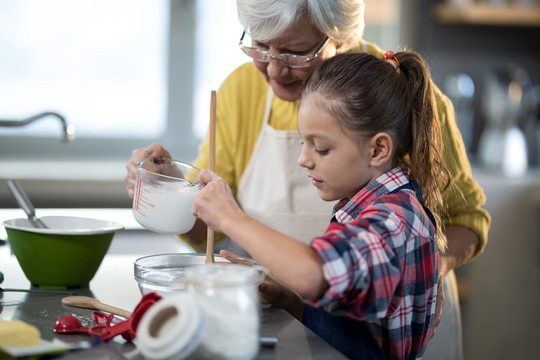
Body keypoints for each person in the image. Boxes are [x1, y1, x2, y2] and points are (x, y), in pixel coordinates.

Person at [124, 1, 490, 359]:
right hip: (309, 323)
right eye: (261, 46)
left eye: (295, 53)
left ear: (340, 37)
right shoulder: (239, 92)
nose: (273, 70)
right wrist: (168, 185)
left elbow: (465, 220)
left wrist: (419, 273)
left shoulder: (399, 98)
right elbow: (207, 225)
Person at [193, 50, 450, 359]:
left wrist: (229, 216)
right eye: (304, 143)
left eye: (321, 148)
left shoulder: (392, 221)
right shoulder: (375, 206)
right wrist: (288, 299)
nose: (304, 159)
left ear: (378, 149)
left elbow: (313, 276)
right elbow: (352, 320)